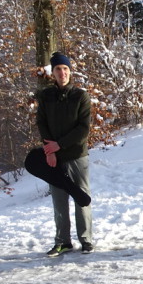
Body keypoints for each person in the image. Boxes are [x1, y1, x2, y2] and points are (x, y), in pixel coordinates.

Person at [26, 52, 93, 257]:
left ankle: (86, 240)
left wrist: (59, 145)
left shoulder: (80, 96)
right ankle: (63, 241)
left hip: (76, 155)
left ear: (70, 72)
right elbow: (42, 124)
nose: (62, 73)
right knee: (59, 200)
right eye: (58, 69)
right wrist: (49, 150)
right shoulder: (46, 96)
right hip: (53, 155)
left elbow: (83, 129)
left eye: (65, 69)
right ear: (52, 73)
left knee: (81, 196)